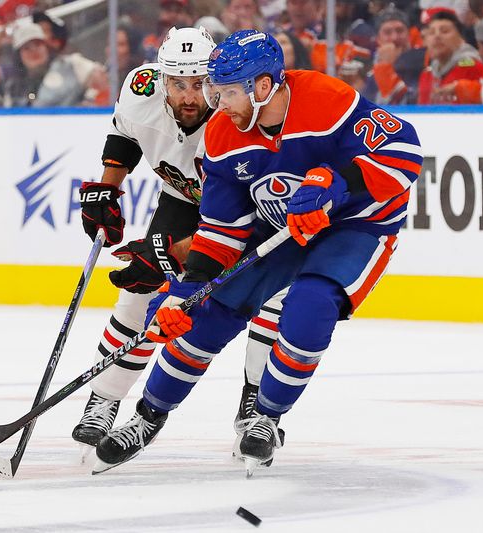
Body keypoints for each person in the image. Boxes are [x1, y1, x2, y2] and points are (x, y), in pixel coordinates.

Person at [94, 29, 422, 476]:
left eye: (227, 92)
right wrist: (185, 290)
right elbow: (222, 230)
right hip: (279, 229)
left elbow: (403, 150)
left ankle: (265, 416)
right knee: (204, 310)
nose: (218, 103)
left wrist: (337, 183)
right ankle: (147, 416)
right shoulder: (224, 136)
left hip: (356, 226)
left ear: (262, 86)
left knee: (310, 305)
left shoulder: (325, 99)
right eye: (216, 90)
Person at [72, 26, 287, 459]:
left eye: (199, 85)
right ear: (160, 78)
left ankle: (259, 409)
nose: (189, 97)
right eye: (177, 84)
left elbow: (239, 226)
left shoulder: (235, 117)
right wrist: (107, 190)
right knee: (138, 293)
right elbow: (125, 135)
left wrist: (169, 251)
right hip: (182, 199)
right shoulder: (140, 88)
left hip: (244, 212)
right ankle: (105, 397)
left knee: (271, 298)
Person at [417, 9, 483, 104]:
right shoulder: (426, 75)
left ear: (461, 39)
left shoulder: (474, 67)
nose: (437, 36)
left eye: (445, 31)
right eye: (431, 32)